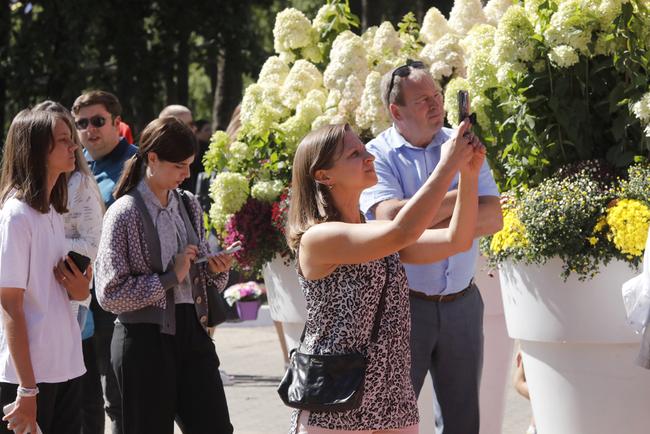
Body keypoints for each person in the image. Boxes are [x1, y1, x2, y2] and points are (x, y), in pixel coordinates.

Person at [286, 121, 484, 433]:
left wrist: (469, 175)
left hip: (393, 401)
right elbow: (402, 230)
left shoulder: (371, 232)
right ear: (324, 176)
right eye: (354, 153)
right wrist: (447, 165)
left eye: (365, 149)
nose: (369, 157)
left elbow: (456, 241)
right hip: (336, 402)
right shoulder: (318, 238)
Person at [359, 60, 503, 434]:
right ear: (396, 111)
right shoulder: (376, 155)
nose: (436, 105)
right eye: (422, 100)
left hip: (462, 303)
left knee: (463, 422)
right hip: (404, 305)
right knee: (392, 420)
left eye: (437, 96)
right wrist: (462, 196)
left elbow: (493, 218)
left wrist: (417, 214)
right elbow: (389, 222)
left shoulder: (461, 143)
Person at [95, 116, 236, 434]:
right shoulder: (124, 212)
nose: (187, 174)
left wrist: (216, 270)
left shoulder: (188, 205)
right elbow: (109, 293)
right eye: (179, 166)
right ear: (153, 159)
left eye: (190, 164)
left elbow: (200, 278)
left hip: (193, 336)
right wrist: (169, 277)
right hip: (143, 343)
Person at [0, 108, 92, 433]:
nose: (75, 147)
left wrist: (80, 291)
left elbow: (56, 293)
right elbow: (10, 305)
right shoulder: (16, 216)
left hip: (63, 367)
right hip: (28, 378)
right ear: (38, 149)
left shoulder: (51, 212)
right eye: (64, 140)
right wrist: (27, 389)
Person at [35, 100, 106, 434]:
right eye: (62, 138)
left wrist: (47, 247)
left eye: (69, 137)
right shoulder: (21, 196)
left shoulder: (80, 184)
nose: (73, 144)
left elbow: (94, 243)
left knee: (80, 401)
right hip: (34, 308)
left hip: (72, 301)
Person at [72, 90, 138, 434]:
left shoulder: (137, 165)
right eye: (81, 123)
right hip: (79, 293)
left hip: (123, 296)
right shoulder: (73, 164)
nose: (89, 130)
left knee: (121, 394)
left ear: (116, 123)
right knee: (83, 395)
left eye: (98, 121)